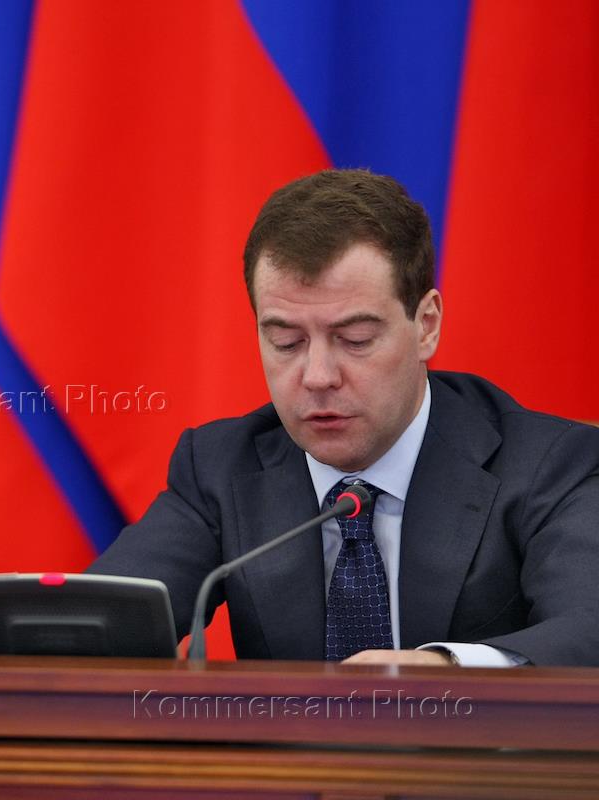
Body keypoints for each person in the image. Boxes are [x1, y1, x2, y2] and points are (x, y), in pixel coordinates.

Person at [90, 169, 599, 667]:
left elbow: (587, 629)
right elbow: (100, 622)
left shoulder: (548, 467)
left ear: (426, 325)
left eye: (355, 340)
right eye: (286, 342)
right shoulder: (221, 469)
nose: (318, 376)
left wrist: (445, 670)